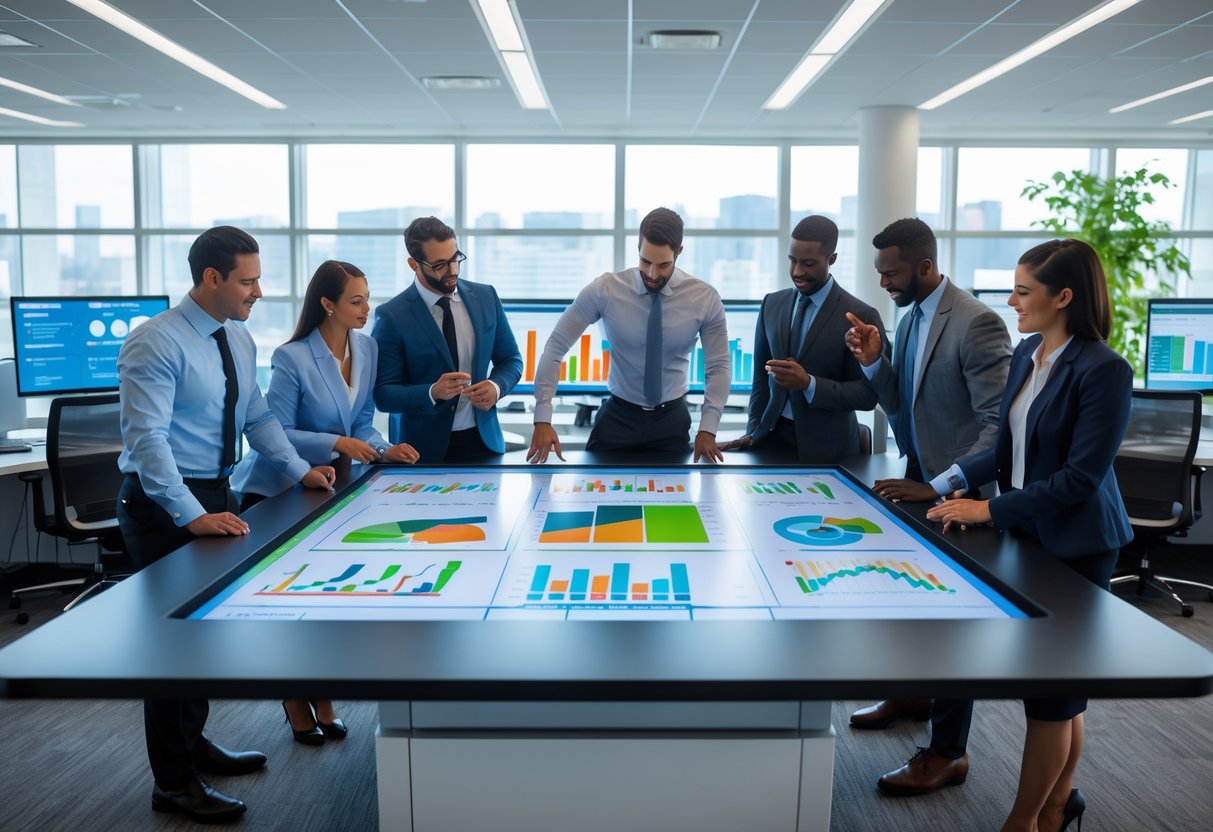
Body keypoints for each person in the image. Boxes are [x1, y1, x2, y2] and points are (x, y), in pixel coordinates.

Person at [116, 226, 336, 823]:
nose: (259, 291)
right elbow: (148, 442)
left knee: (203, 640)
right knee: (171, 650)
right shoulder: (154, 343)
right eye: (249, 279)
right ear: (211, 278)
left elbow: (257, 415)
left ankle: (194, 748)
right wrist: (191, 515)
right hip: (164, 504)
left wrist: (298, 471)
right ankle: (173, 783)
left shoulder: (236, 339)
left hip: (218, 493)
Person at [926, 239, 1133, 832]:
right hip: (1029, 536)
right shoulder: (1027, 354)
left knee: (1052, 695)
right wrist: (947, 484)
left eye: (1023, 290)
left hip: (1078, 545)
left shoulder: (1103, 369)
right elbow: (1008, 449)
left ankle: (1024, 822)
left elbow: (1078, 480)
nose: (1011, 301)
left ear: (1063, 297)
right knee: (1058, 691)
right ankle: (1057, 803)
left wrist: (989, 514)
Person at [842, 218, 1011, 796]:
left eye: (890, 272)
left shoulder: (976, 322)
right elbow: (899, 403)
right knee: (912, 598)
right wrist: (872, 362)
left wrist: (941, 485)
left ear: (924, 266)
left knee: (954, 622)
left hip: (959, 491)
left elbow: (999, 426)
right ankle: (912, 694)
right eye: (879, 272)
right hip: (920, 477)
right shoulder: (909, 317)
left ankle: (948, 753)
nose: (883, 282)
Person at [231, 259, 419, 746]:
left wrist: (381, 449)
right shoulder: (292, 356)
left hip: (332, 487)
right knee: (292, 601)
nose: (366, 308)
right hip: (280, 487)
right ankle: (296, 699)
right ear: (328, 303)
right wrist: (337, 442)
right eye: (356, 300)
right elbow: (277, 430)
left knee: (327, 598)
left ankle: (325, 697)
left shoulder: (368, 346)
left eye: (367, 297)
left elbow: (363, 422)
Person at [526, 207, 729, 463]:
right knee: (595, 496)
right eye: (645, 262)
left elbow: (719, 366)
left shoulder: (705, 298)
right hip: (617, 419)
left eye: (663, 264)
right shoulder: (605, 290)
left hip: (672, 422)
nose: (652, 274)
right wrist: (542, 418)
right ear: (638, 248)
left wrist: (708, 428)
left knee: (674, 498)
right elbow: (556, 345)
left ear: (679, 252)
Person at [720, 215, 884, 461]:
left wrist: (809, 383)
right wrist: (753, 432)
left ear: (832, 259)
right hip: (769, 443)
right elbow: (760, 381)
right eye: (792, 261)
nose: (797, 272)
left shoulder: (860, 316)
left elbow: (868, 395)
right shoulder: (771, 304)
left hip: (829, 453)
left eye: (808, 263)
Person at [372, 217, 523, 463]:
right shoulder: (392, 316)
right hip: (421, 452)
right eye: (440, 265)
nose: (452, 270)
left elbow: (511, 360)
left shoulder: (486, 297)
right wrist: (432, 392)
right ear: (414, 265)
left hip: (484, 443)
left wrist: (496, 387)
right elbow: (384, 395)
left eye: (455, 258)